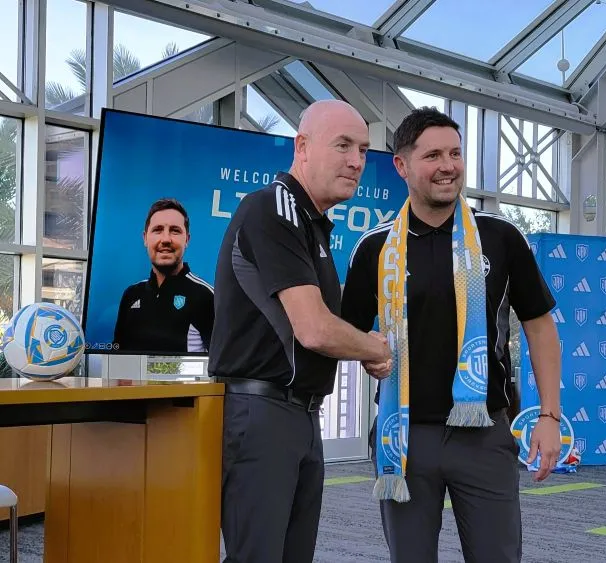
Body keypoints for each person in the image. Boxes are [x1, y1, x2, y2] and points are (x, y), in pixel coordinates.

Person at [341, 107, 563, 563]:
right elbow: (348, 332)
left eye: (456, 153)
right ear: (402, 166)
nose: (448, 165)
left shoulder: (501, 238)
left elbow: (540, 327)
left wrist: (549, 417)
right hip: (403, 437)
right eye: (433, 155)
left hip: (484, 434)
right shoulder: (375, 248)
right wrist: (366, 352)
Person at [209, 99, 392, 563]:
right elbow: (313, 328)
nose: (357, 161)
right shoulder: (274, 207)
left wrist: (364, 346)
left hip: (300, 415)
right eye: (344, 145)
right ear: (303, 147)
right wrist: (373, 348)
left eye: (364, 150)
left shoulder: (312, 224)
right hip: (262, 412)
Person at [112, 198, 214, 353]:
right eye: (158, 230)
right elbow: (116, 360)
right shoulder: (131, 295)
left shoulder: (207, 296)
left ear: (187, 239)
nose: (166, 239)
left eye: (175, 230)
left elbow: (220, 368)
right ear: (145, 238)